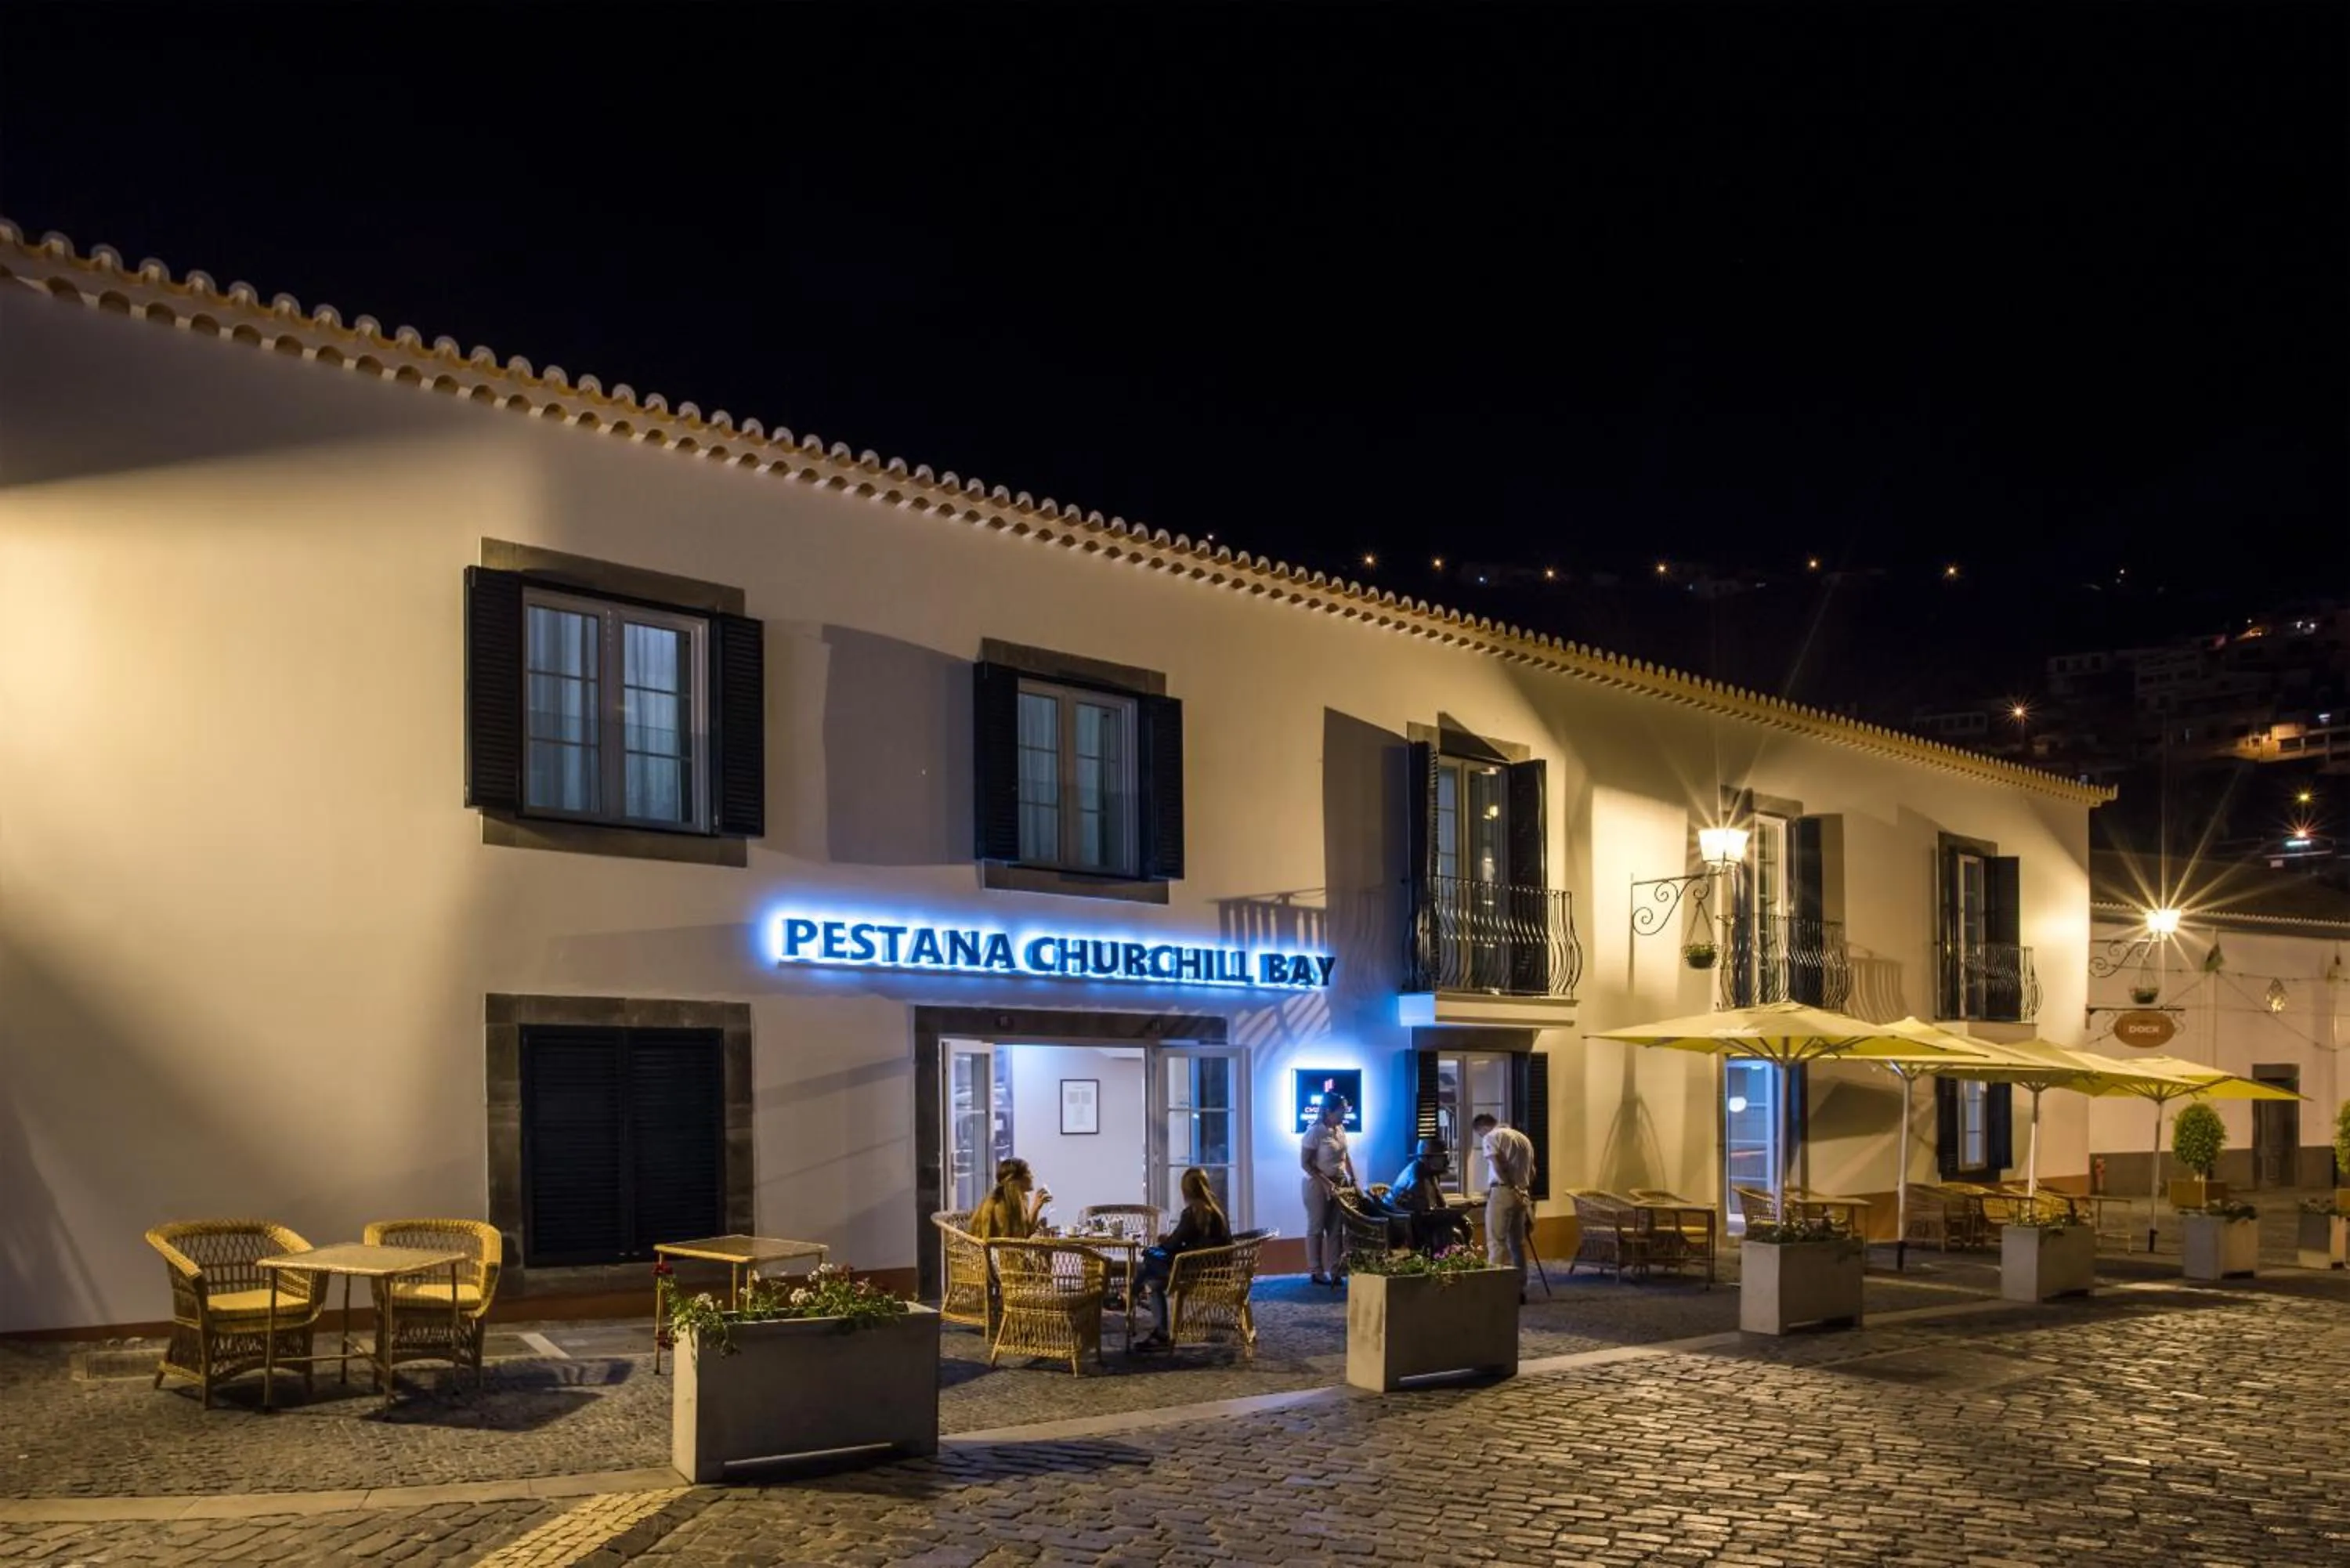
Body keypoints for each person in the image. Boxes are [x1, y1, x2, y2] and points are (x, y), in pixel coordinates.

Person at [1130, 1167, 1231, 1353]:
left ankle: (1131, 1295)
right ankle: (1137, 1298)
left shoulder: (1193, 1213)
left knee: (1149, 1256)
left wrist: (1162, 1242)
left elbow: (1171, 1246)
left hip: (1193, 1273)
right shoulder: (1218, 1210)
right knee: (1153, 1281)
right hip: (1219, 1270)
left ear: (1186, 1190)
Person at [1472, 1112, 1537, 1300]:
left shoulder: (1492, 1137)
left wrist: (1510, 1185)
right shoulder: (1523, 1139)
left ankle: (1497, 1290)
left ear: (1483, 1128)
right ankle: (1519, 1288)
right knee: (1517, 1243)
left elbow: (1497, 1163)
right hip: (1522, 1194)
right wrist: (1521, 1189)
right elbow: (1532, 1171)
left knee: (1496, 1241)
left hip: (1503, 1191)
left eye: (1479, 1135)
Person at [1299, 1094, 1358, 1284]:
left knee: (1335, 1228)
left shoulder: (1340, 1129)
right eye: (1341, 1111)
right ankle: (1316, 1271)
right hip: (1317, 1185)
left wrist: (1353, 1178)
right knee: (1316, 1227)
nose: (1344, 1114)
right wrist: (1325, 1183)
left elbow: (1345, 1156)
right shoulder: (1315, 1132)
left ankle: (1335, 1270)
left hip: (1339, 1183)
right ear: (1329, 1111)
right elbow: (1305, 1164)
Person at [1386, 1137, 1472, 1252]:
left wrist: (1457, 1213)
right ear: (1427, 1159)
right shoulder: (1417, 1176)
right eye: (1442, 1158)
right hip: (1402, 1222)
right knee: (1444, 1233)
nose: (1447, 1162)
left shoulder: (1430, 1173)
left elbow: (1441, 1205)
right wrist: (1453, 1214)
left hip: (1417, 1218)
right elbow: (1426, 1211)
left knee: (1462, 1222)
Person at [970, 1158, 1050, 1240]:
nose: (1032, 1176)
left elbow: (1024, 1234)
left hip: (1011, 1250)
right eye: (1028, 1173)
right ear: (1016, 1179)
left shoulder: (1022, 1199)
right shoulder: (999, 1204)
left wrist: (1036, 1208)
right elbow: (1007, 1241)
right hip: (991, 1251)